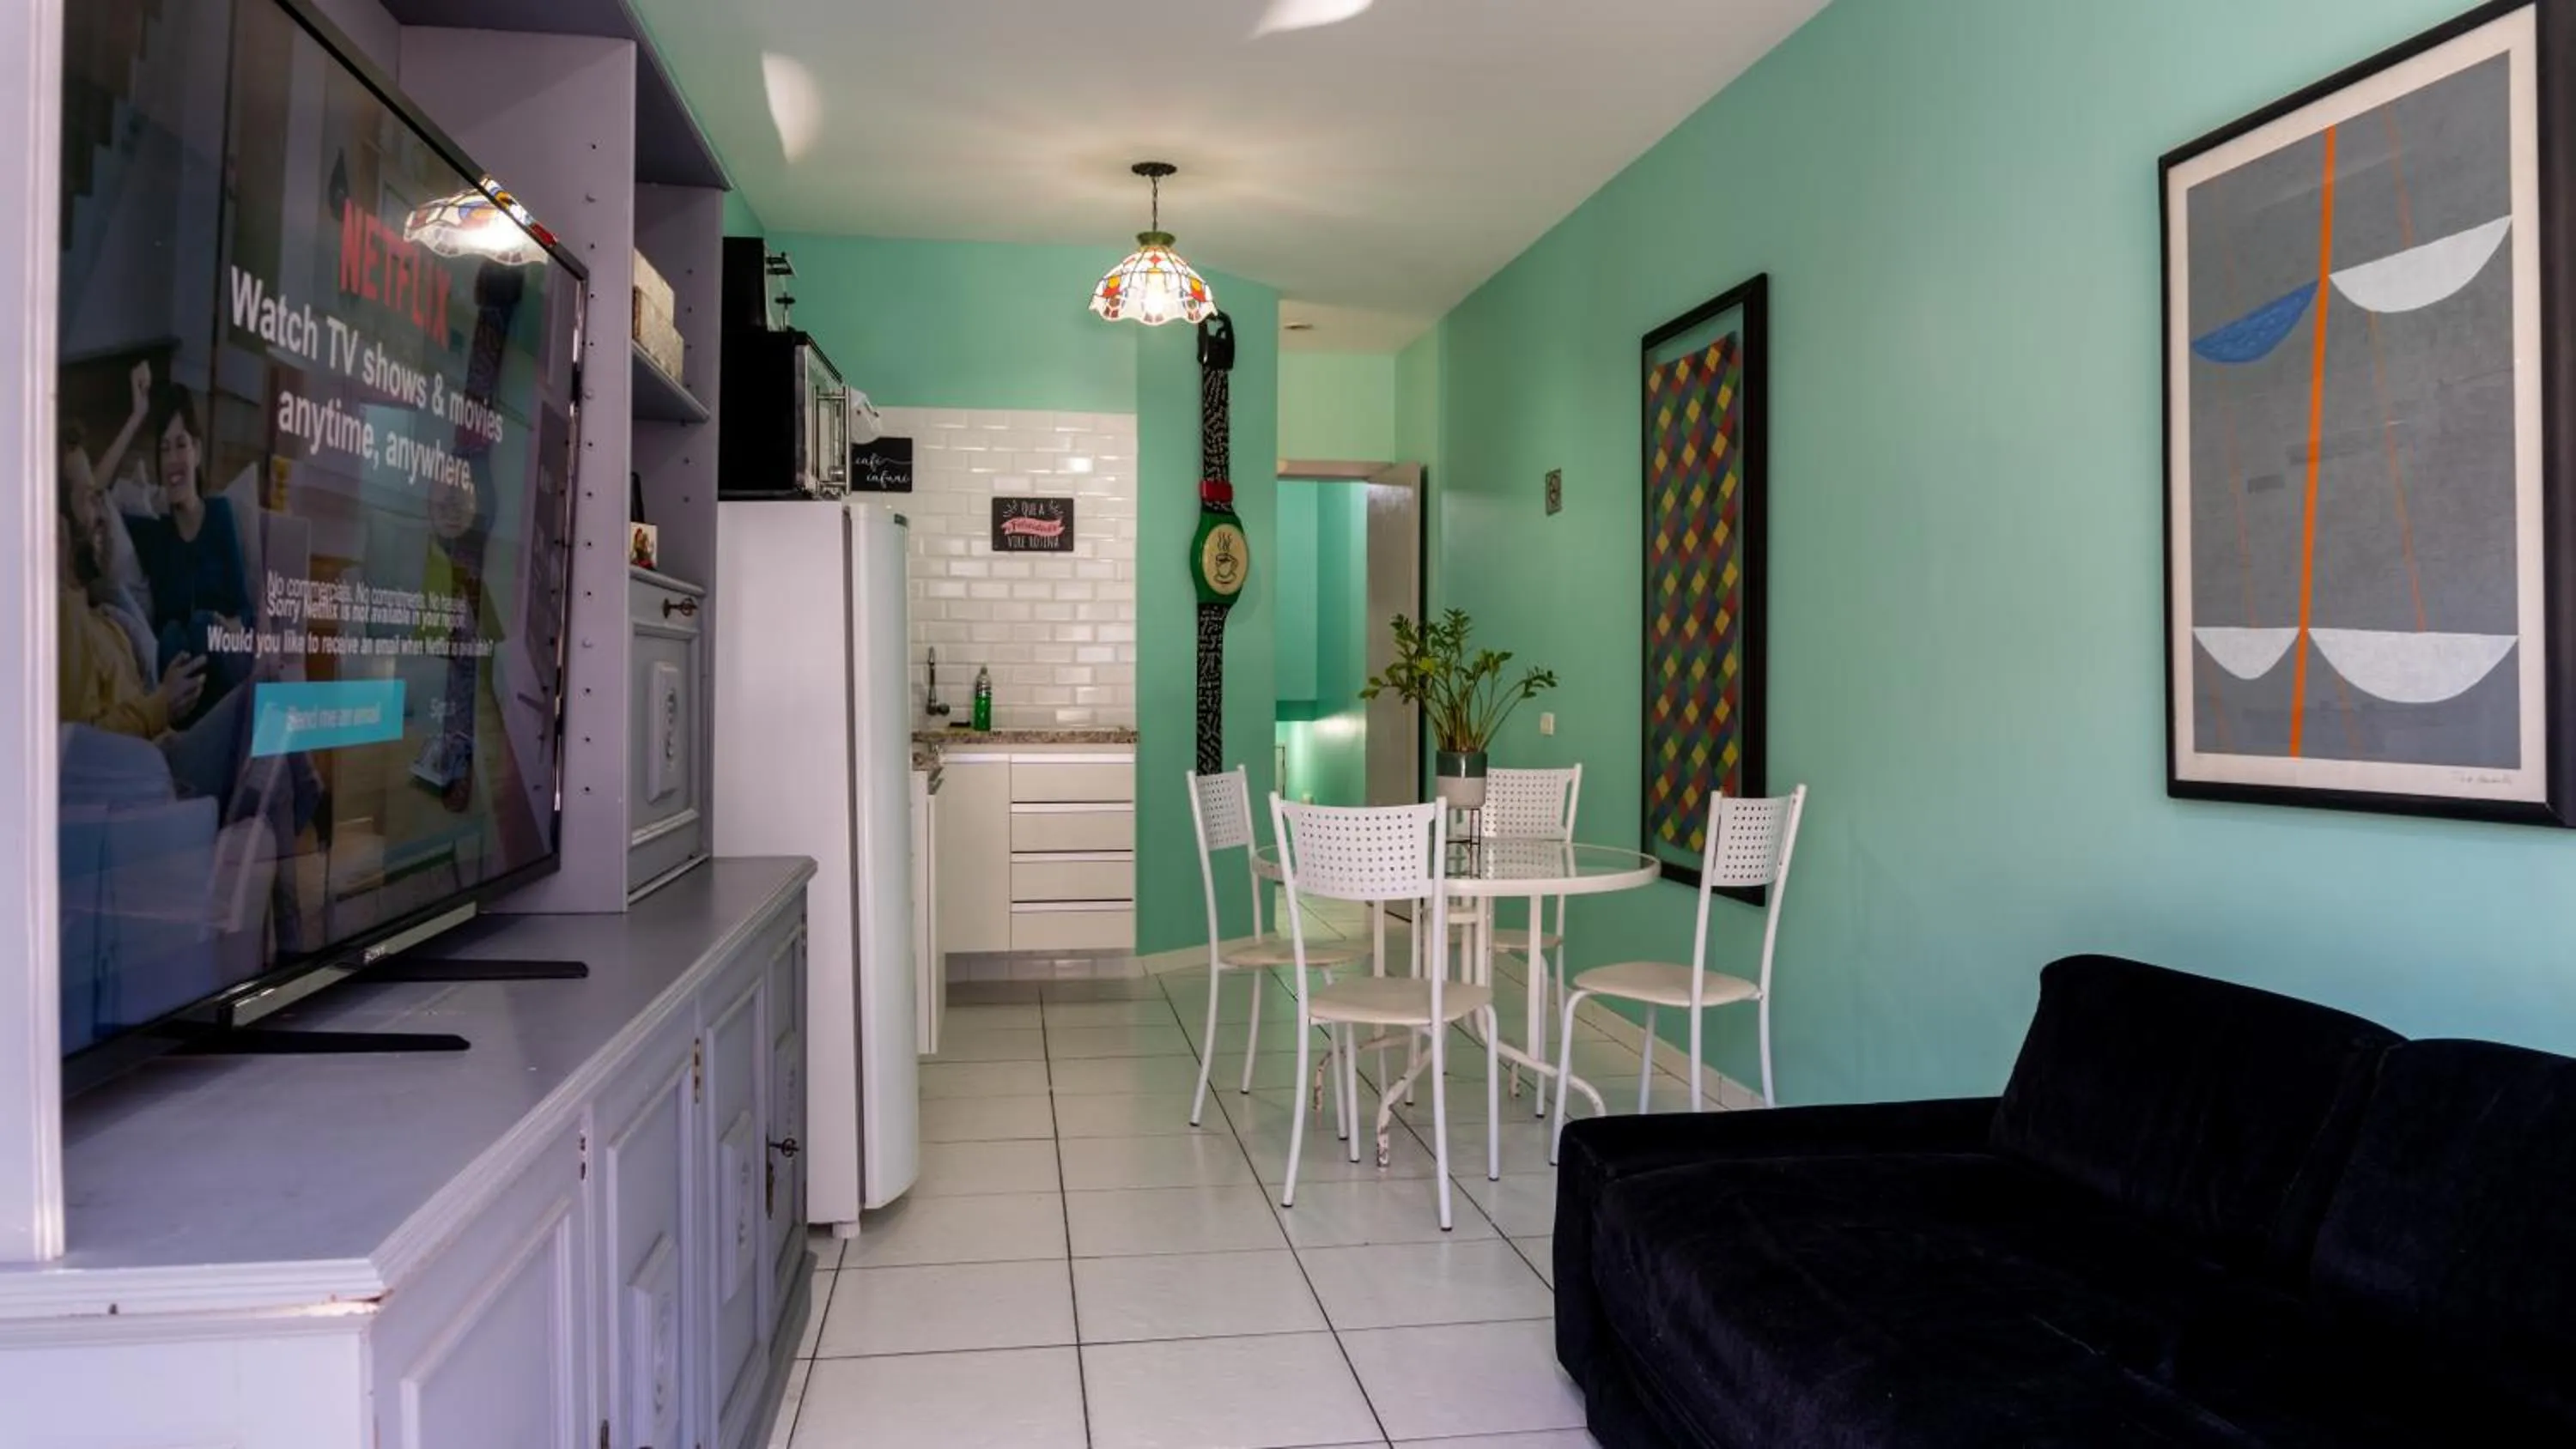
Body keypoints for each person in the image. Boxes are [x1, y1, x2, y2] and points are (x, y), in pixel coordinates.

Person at [123, 381, 252, 724]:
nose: (173, 459)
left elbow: (245, 609)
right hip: (179, 686)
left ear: (196, 451)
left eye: (181, 445)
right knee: (171, 635)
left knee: (199, 625)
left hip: (223, 664)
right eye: (164, 449)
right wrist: (137, 417)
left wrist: (236, 626)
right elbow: (97, 495)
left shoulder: (220, 515)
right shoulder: (155, 534)